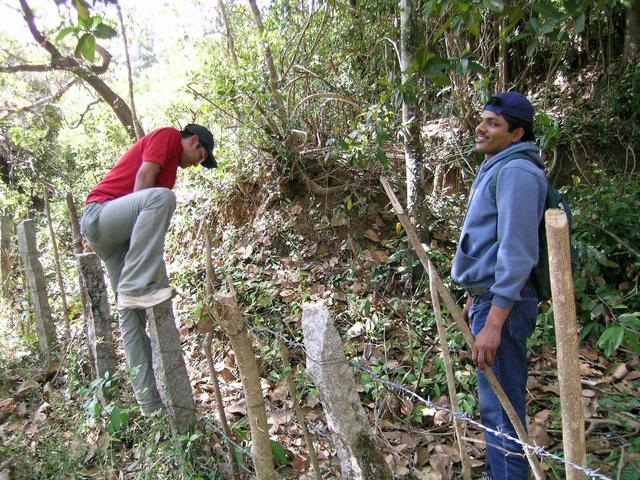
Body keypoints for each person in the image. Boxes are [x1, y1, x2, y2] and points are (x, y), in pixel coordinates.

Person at [80, 124, 217, 414]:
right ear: (192, 140)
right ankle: (135, 286)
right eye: (200, 155)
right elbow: (143, 178)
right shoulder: (168, 136)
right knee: (162, 198)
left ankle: (150, 405)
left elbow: (146, 217)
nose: (196, 163)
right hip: (101, 214)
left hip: (114, 237)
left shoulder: (171, 173)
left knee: (131, 314)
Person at [452, 92, 547, 479]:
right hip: (490, 299)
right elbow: (490, 243)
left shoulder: (518, 173)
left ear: (516, 133)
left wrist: (494, 318)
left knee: (504, 412)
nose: (481, 127)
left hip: (504, 305)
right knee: (495, 408)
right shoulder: (499, 166)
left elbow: (518, 252)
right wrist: (477, 298)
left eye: (494, 123)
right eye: (483, 119)